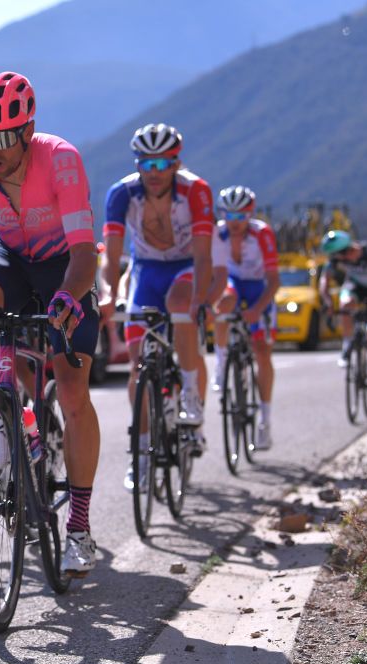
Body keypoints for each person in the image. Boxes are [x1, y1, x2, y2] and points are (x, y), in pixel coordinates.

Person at [0, 72, 101, 576]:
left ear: (27, 131)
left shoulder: (59, 158)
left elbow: (85, 252)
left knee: (71, 388)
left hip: (66, 266)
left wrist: (69, 295)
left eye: (0, 138)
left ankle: (79, 527)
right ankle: (5, 417)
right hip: (12, 260)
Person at [99, 123, 216, 489]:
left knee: (180, 306)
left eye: (161, 164)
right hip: (147, 272)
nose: (153, 173)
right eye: (145, 164)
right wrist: (107, 293)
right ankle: (142, 454)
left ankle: (191, 393)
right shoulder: (122, 194)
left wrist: (200, 301)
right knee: (138, 367)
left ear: (175, 163)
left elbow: (203, 254)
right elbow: (112, 255)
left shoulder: (195, 191)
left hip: (184, 269)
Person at [210, 186, 280, 450]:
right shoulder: (218, 233)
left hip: (259, 288)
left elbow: (274, 281)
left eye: (241, 217)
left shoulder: (262, 234)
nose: (235, 222)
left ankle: (265, 420)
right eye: (229, 215)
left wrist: (257, 309)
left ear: (249, 215)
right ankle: (221, 361)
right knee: (223, 302)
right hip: (232, 284)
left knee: (262, 351)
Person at [319, 230, 367, 406]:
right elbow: (324, 281)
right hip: (355, 288)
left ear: (349, 250)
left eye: (344, 257)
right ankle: (347, 345)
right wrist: (328, 302)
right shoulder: (338, 257)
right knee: (345, 305)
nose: (343, 261)